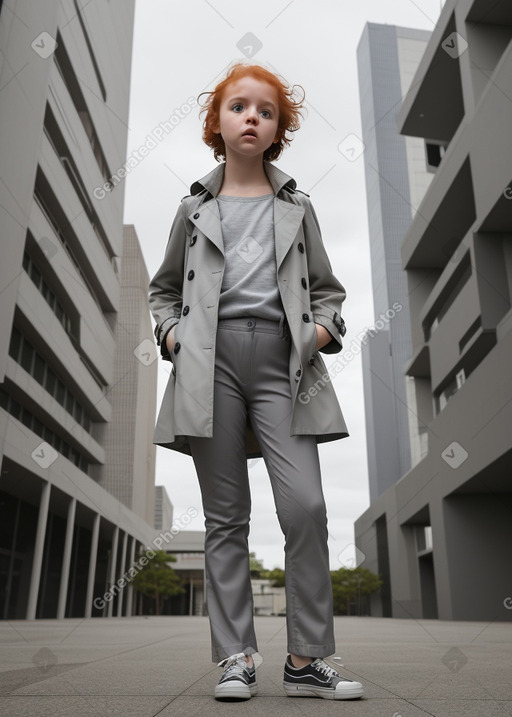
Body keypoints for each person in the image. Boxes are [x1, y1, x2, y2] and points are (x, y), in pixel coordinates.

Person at [148, 61, 363, 702]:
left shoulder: (298, 206)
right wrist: (172, 336)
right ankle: (237, 656)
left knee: (307, 508)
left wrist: (317, 335)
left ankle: (305, 659)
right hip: (207, 362)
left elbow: (329, 293)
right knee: (225, 518)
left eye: (266, 111)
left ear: (278, 130)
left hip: (284, 364)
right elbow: (163, 291)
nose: (252, 117)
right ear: (217, 122)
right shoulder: (193, 208)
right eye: (239, 107)